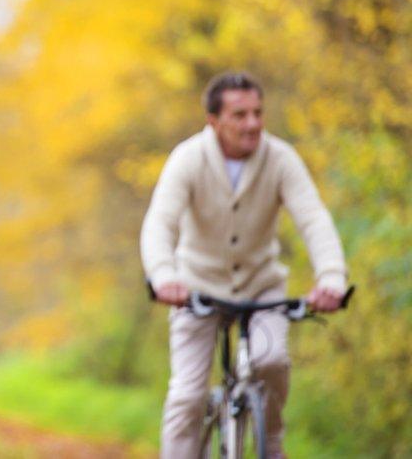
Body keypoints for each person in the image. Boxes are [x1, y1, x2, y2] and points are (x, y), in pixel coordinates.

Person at [140, 71, 348, 458]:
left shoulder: (281, 158)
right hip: (195, 290)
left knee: (272, 361)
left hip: (261, 288)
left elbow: (313, 220)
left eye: (257, 113)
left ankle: (270, 442)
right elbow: (160, 223)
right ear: (214, 121)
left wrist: (332, 277)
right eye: (239, 115)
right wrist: (164, 277)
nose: (252, 123)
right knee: (187, 396)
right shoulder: (188, 159)